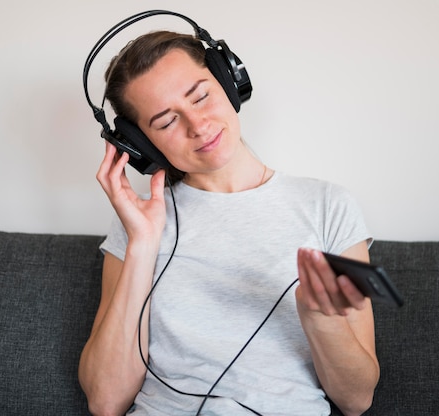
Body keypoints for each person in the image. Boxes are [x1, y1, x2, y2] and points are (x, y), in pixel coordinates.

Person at [78, 29, 379, 416]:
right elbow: (105, 402)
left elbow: (356, 400)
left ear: (230, 82)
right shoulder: (138, 222)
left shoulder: (328, 206)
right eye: (167, 121)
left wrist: (319, 318)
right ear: (143, 148)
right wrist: (142, 245)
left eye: (201, 96)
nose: (198, 126)